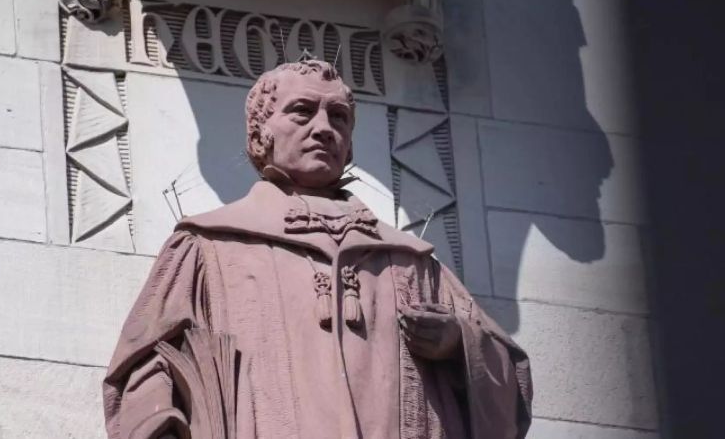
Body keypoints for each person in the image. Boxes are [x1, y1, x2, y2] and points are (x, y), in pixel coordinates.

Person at [102, 59, 532, 439]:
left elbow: (511, 386)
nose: (324, 128)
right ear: (260, 133)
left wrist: (458, 342)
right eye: (302, 112)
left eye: (339, 117)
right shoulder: (209, 245)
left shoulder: (409, 260)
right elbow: (147, 368)